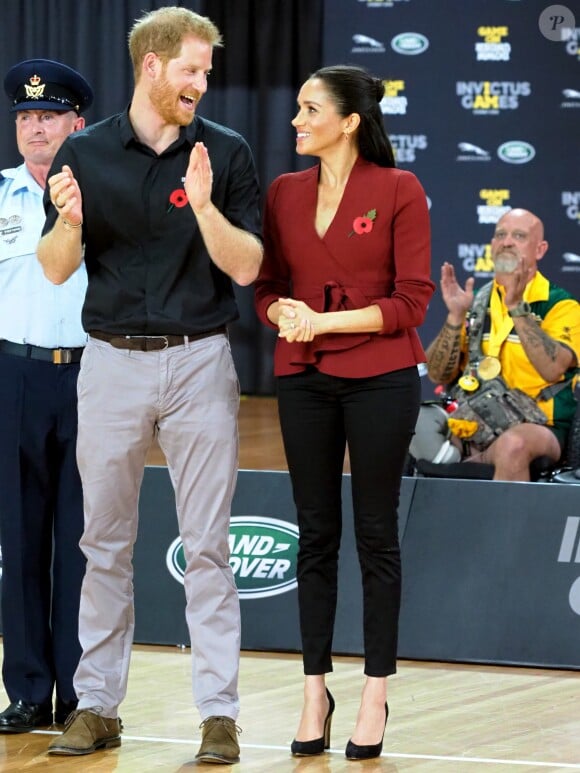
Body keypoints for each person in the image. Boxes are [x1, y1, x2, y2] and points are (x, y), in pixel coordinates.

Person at [36, 7, 262, 763]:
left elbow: (245, 266)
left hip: (200, 359)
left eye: (207, 69)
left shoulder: (225, 154)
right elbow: (57, 267)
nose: (202, 82)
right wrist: (68, 220)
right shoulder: (85, 154)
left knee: (208, 547)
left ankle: (219, 715)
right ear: (151, 66)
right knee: (103, 542)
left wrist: (202, 207)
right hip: (110, 361)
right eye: (191, 68)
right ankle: (98, 704)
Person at [254, 64, 434, 760]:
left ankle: (375, 692)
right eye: (297, 107)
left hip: (381, 378)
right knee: (316, 535)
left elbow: (412, 302)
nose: (296, 120)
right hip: (302, 380)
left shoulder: (398, 189)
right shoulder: (285, 192)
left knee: (376, 534)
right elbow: (268, 287)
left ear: (350, 121)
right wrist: (283, 314)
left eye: (309, 109)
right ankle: (313, 688)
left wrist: (322, 323)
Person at [0, 59, 92, 734]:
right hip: (14, 377)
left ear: (76, 125)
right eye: (26, 117)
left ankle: (81, 690)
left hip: (93, 376)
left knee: (85, 542)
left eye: (48, 116)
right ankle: (29, 688)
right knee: (20, 539)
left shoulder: (105, 194)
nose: (35, 128)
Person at [420, 208, 580, 481]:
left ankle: (504, 522)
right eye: (500, 235)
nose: (507, 241)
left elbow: (553, 369)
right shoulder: (477, 303)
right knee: (400, 425)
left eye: (519, 235)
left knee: (512, 445)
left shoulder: (561, 305)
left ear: (539, 250)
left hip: (539, 425)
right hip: (472, 421)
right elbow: (437, 374)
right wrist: (456, 315)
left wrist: (517, 308)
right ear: (492, 245)